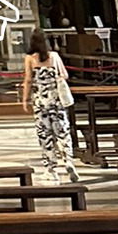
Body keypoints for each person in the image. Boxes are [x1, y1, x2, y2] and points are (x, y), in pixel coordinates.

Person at [21, 30, 77, 180]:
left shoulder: (30, 59)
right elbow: (64, 75)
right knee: (63, 132)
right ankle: (69, 161)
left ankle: (51, 170)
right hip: (56, 100)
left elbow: (28, 80)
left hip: (40, 101)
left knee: (45, 135)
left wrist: (25, 99)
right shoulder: (55, 56)